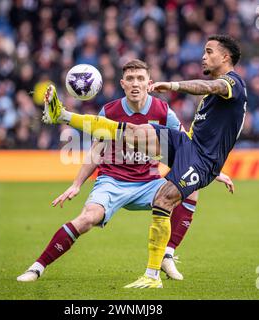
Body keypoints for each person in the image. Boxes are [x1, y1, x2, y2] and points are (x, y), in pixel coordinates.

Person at [41, 34, 247, 288]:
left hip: (203, 159)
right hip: (189, 146)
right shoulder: (222, 89)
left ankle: (153, 275)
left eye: (209, 51)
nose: (203, 56)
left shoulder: (232, 83)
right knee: (131, 132)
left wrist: (172, 86)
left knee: (164, 199)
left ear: (225, 57)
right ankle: (61, 115)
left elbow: (208, 87)